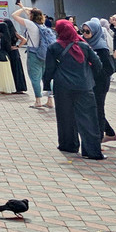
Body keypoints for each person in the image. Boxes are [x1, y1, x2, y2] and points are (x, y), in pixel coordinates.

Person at [44, 20, 104, 160]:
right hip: (84, 86)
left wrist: (46, 85)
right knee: (88, 118)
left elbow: (49, 69)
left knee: (65, 117)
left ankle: (68, 145)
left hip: (62, 87)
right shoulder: (84, 46)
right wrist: (89, 76)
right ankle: (92, 151)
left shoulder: (54, 47)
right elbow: (98, 64)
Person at [81, 19, 116, 143]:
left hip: (100, 83)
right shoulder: (84, 44)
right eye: (83, 31)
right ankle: (110, 133)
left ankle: (99, 138)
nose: (84, 34)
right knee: (93, 108)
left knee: (98, 109)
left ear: (95, 32)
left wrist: (96, 74)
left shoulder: (101, 48)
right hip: (89, 82)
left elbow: (109, 68)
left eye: (87, 32)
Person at [13, 4, 53, 108]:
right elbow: (32, 16)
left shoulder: (31, 25)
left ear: (32, 16)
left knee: (35, 78)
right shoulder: (42, 25)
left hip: (34, 53)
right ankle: (50, 100)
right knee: (46, 77)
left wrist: (24, 8)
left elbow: (14, 15)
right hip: (45, 54)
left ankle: (38, 100)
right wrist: (26, 8)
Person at [0, 18, 28, 93]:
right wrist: (18, 46)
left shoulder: (4, 33)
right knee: (17, 70)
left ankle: (12, 87)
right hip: (15, 52)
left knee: (10, 70)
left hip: (8, 52)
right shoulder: (14, 33)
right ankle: (20, 87)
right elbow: (24, 40)